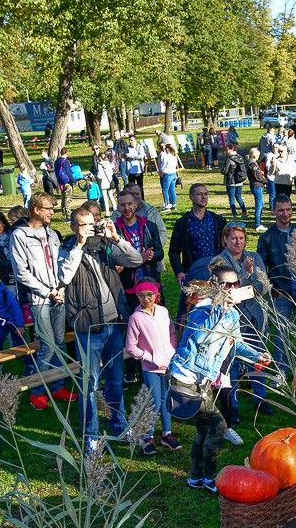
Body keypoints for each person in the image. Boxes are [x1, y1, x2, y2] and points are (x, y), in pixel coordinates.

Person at [169, 262, 272, 492]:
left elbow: (237, 344)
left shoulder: (232, 315)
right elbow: (200, 337)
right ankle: (209, 476)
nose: (235, 288)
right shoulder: (202, 311)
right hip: (186, 378)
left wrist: (258, 355)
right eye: (229, 284)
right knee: (217, 426)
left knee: (203, 430)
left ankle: (195, 477)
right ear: (217, 287)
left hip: (203, 380)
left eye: (237, 283)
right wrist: (220, 306)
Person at [58, 203, 139, 449]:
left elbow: (134, 260)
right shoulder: (66, 249)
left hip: (113, 324)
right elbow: (64, 277)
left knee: (115, 381)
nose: (89, 229)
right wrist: (79, 245)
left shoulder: (104, 247)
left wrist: (116, 239)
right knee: (89, 385)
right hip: (88, 327)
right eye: (83, 225)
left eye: (91, 224)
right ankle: (91, 435)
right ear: (74, 227)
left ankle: (121, 426)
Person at [10, 193, 76, 410]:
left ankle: (57, 385)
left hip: (58, 295)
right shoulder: (20, 235)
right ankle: (37, 391)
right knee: (47, 346)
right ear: (36, 209)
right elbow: (21, 272)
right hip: (39, 299)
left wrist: (60, 288)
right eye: (48, 208)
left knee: (59, 343)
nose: (52, 213)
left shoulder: (52, 234)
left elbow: (59, 263)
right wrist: (47, 291)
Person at [125, 279, 181, 455]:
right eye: (141, 295)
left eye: (149, 294)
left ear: (156, 295)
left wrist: (172, 350)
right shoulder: (136, 318)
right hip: (150, 367)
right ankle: (146, 436)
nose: (146, 298)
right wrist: (150, 358)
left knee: (167, 400)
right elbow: (131, 346)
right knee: (154, 402)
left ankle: (167, 433)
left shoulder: (163, 312)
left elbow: (171, 332)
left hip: (168, 363)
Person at [257, 195, 296, 373]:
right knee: (281, 333)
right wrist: (273, 288)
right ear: (273, 211)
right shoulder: (267, 237)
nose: (285, 214)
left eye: (288, 209)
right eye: (281, 210)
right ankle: (282, 369)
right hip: (281, 293)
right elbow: (262, 267)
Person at [169, 183, 227, 283]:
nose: (204, 197)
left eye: (206, 194)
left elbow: (227, 246)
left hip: (216, 271)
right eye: (199, 194)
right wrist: (179, 271)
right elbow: (174, 251)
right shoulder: (183, 223)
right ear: (191, 197)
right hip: (193, 272)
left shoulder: (218, 220)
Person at [220, 142, 248, 219]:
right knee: (239, 197)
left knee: (231, 199)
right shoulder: (240, 157)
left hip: (231, 181)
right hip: (239, 180)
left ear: (230, 149)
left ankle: (234, 215)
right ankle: (244, 212)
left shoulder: (229, 159)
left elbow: (225, 171)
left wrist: (221, 170)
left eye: (226, 150)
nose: (226, 151)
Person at [246, 148, 267, 231]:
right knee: (259, 205)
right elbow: (257, 176)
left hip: (256, 185)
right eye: (258, 154)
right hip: (257, 185)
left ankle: (258, 221)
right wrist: (266, 181)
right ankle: (257, 224)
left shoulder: (251, 163)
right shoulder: (253, 164)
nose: (259, 156)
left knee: (261, 204)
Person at [158, 141, 180, 212]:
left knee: (165, 191)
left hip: (167, 174)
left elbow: (163, 166)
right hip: (174, 174)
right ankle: (174, 204)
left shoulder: (166, 156)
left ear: (167, 149)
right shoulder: (174, 156)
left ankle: (167, 206)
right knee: (172, 190)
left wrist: (161, 172)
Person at [54, 147, 76, 218]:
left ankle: (63, 215)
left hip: (60, 183)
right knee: (67, 199)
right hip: (67, 183)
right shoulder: (66, 161)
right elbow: (68, 173)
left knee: (63, 199)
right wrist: (74, 180)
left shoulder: (56, 161)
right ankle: (68, 216)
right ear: (67, 153)